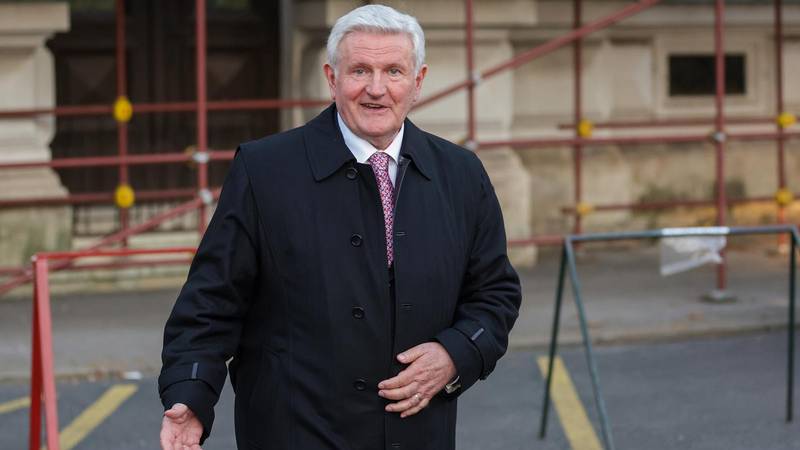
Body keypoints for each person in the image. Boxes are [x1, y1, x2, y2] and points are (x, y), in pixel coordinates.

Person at [158, 4, 521, 450]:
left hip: (416, 436)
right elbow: (211, 302)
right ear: (332, 78)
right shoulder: (264, 169)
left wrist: (455, 353)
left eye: (393, 71)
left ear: (418, 81)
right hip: (295, 433)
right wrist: (190, 394)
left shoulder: (462, 174)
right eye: (359, 71)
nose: (376, 89)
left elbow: (495, 294)